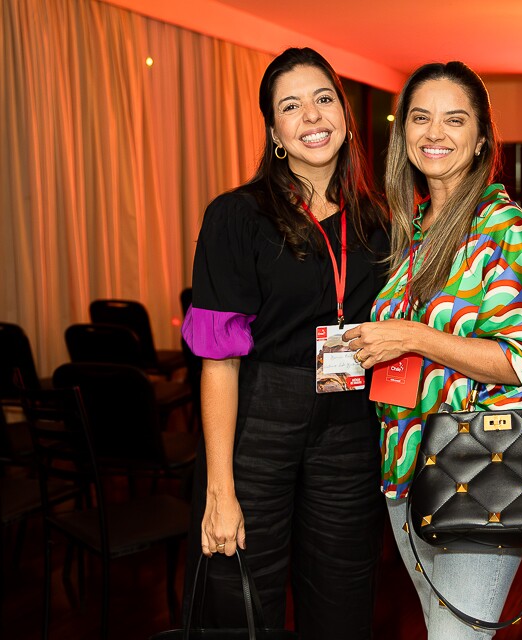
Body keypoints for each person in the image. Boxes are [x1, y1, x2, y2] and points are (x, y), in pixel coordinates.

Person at [343, 61, 522, 639]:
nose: (435, 132)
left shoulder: (501, 227)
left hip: (480, 466)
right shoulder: (411, 226)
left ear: (481, 137)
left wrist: (413, 336)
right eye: (421, 117)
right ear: (403, 133)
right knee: (442, 628)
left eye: (454, 119)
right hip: (404, 465)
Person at [181, 47, 389, 638]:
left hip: (350, 422)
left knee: (344, 594)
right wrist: (220, 488)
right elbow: (217, 360)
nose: (312, 117)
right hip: (259, 423)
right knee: (245, 598)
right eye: (291, 107)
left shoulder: (379, 220)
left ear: (345, 116)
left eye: (324, 99)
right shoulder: (237, 216)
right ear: (274, 130)